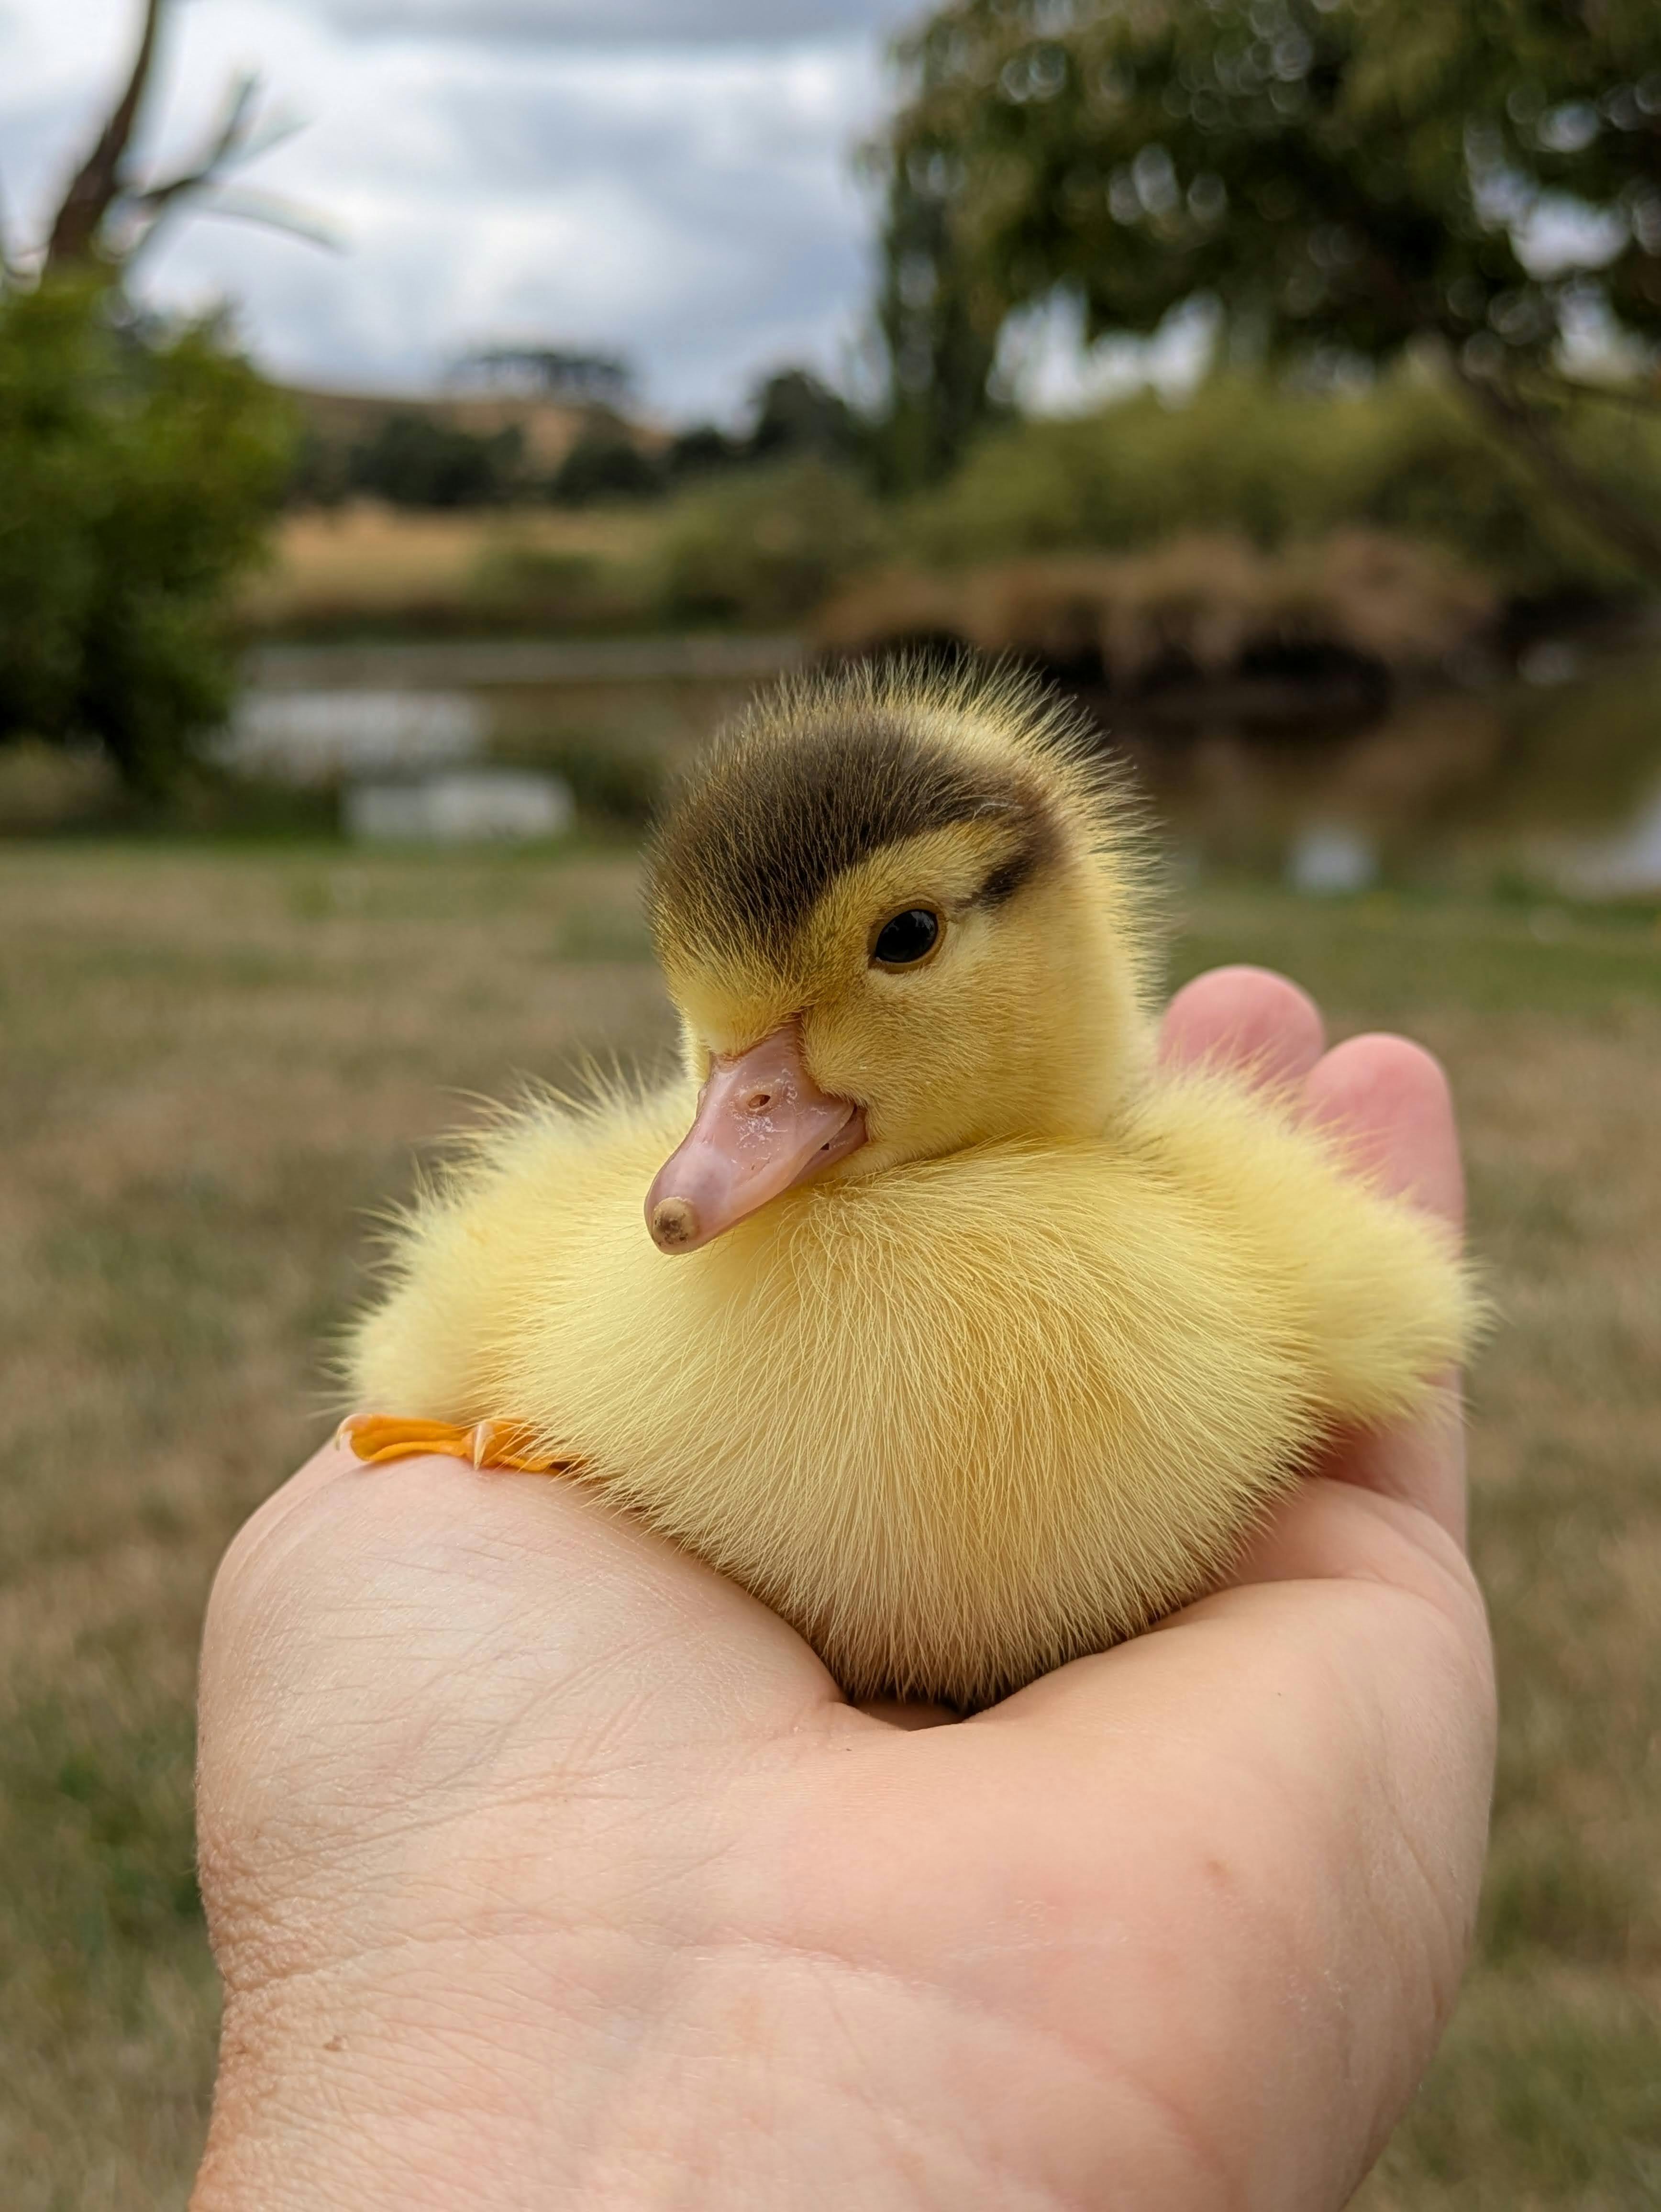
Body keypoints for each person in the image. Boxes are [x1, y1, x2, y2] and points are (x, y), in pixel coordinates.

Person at [190, 966, 1496, 2211]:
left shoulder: (1212, 1235)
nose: (728, 1119)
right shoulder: (574, 1286)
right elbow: (427, 1347)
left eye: (903, 942)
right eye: (721, 1046)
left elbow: (1390, 1307)